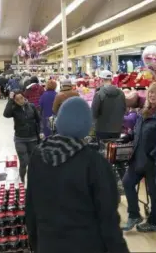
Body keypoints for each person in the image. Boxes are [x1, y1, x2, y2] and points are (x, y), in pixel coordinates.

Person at [26, 97, 129, 253]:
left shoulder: (37, 156)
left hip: (48, 243)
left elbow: (31, 206)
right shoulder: (95, 163)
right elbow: (108, 219)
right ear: (87, 125)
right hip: (86, 244)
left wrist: (36, 242)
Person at [122, 82, 156, 232]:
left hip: (152, 161)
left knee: (154, 193)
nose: (152, 95)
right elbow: (137, 131)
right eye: (151, 92)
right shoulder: (143, 112)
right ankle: (134, 214)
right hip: (137, 157)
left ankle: (155, 222)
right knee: (127, 182)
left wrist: (154, 154)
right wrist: (127, 137)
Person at [3, 91, 40, 183]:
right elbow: (6, 114)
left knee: (33, 162)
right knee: (24, 162)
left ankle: (33, 180)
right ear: (14, 100)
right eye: (17, 99)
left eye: (21, 98)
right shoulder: (14, 109)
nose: (20, 100)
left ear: (24, 97)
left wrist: (41, 132)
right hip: (20, 139)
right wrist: (10, 100)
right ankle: (22, 180)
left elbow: (39, 119)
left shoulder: (31, 106)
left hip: (33, 138)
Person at [91, 70, 126, 140]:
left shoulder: (99, 94)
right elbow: (124, 109)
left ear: (101, 80)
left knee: (102, 150)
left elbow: (93, 113)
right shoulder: (121, 93)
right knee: (113, 150)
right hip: (117, 129)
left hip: (101, 130)